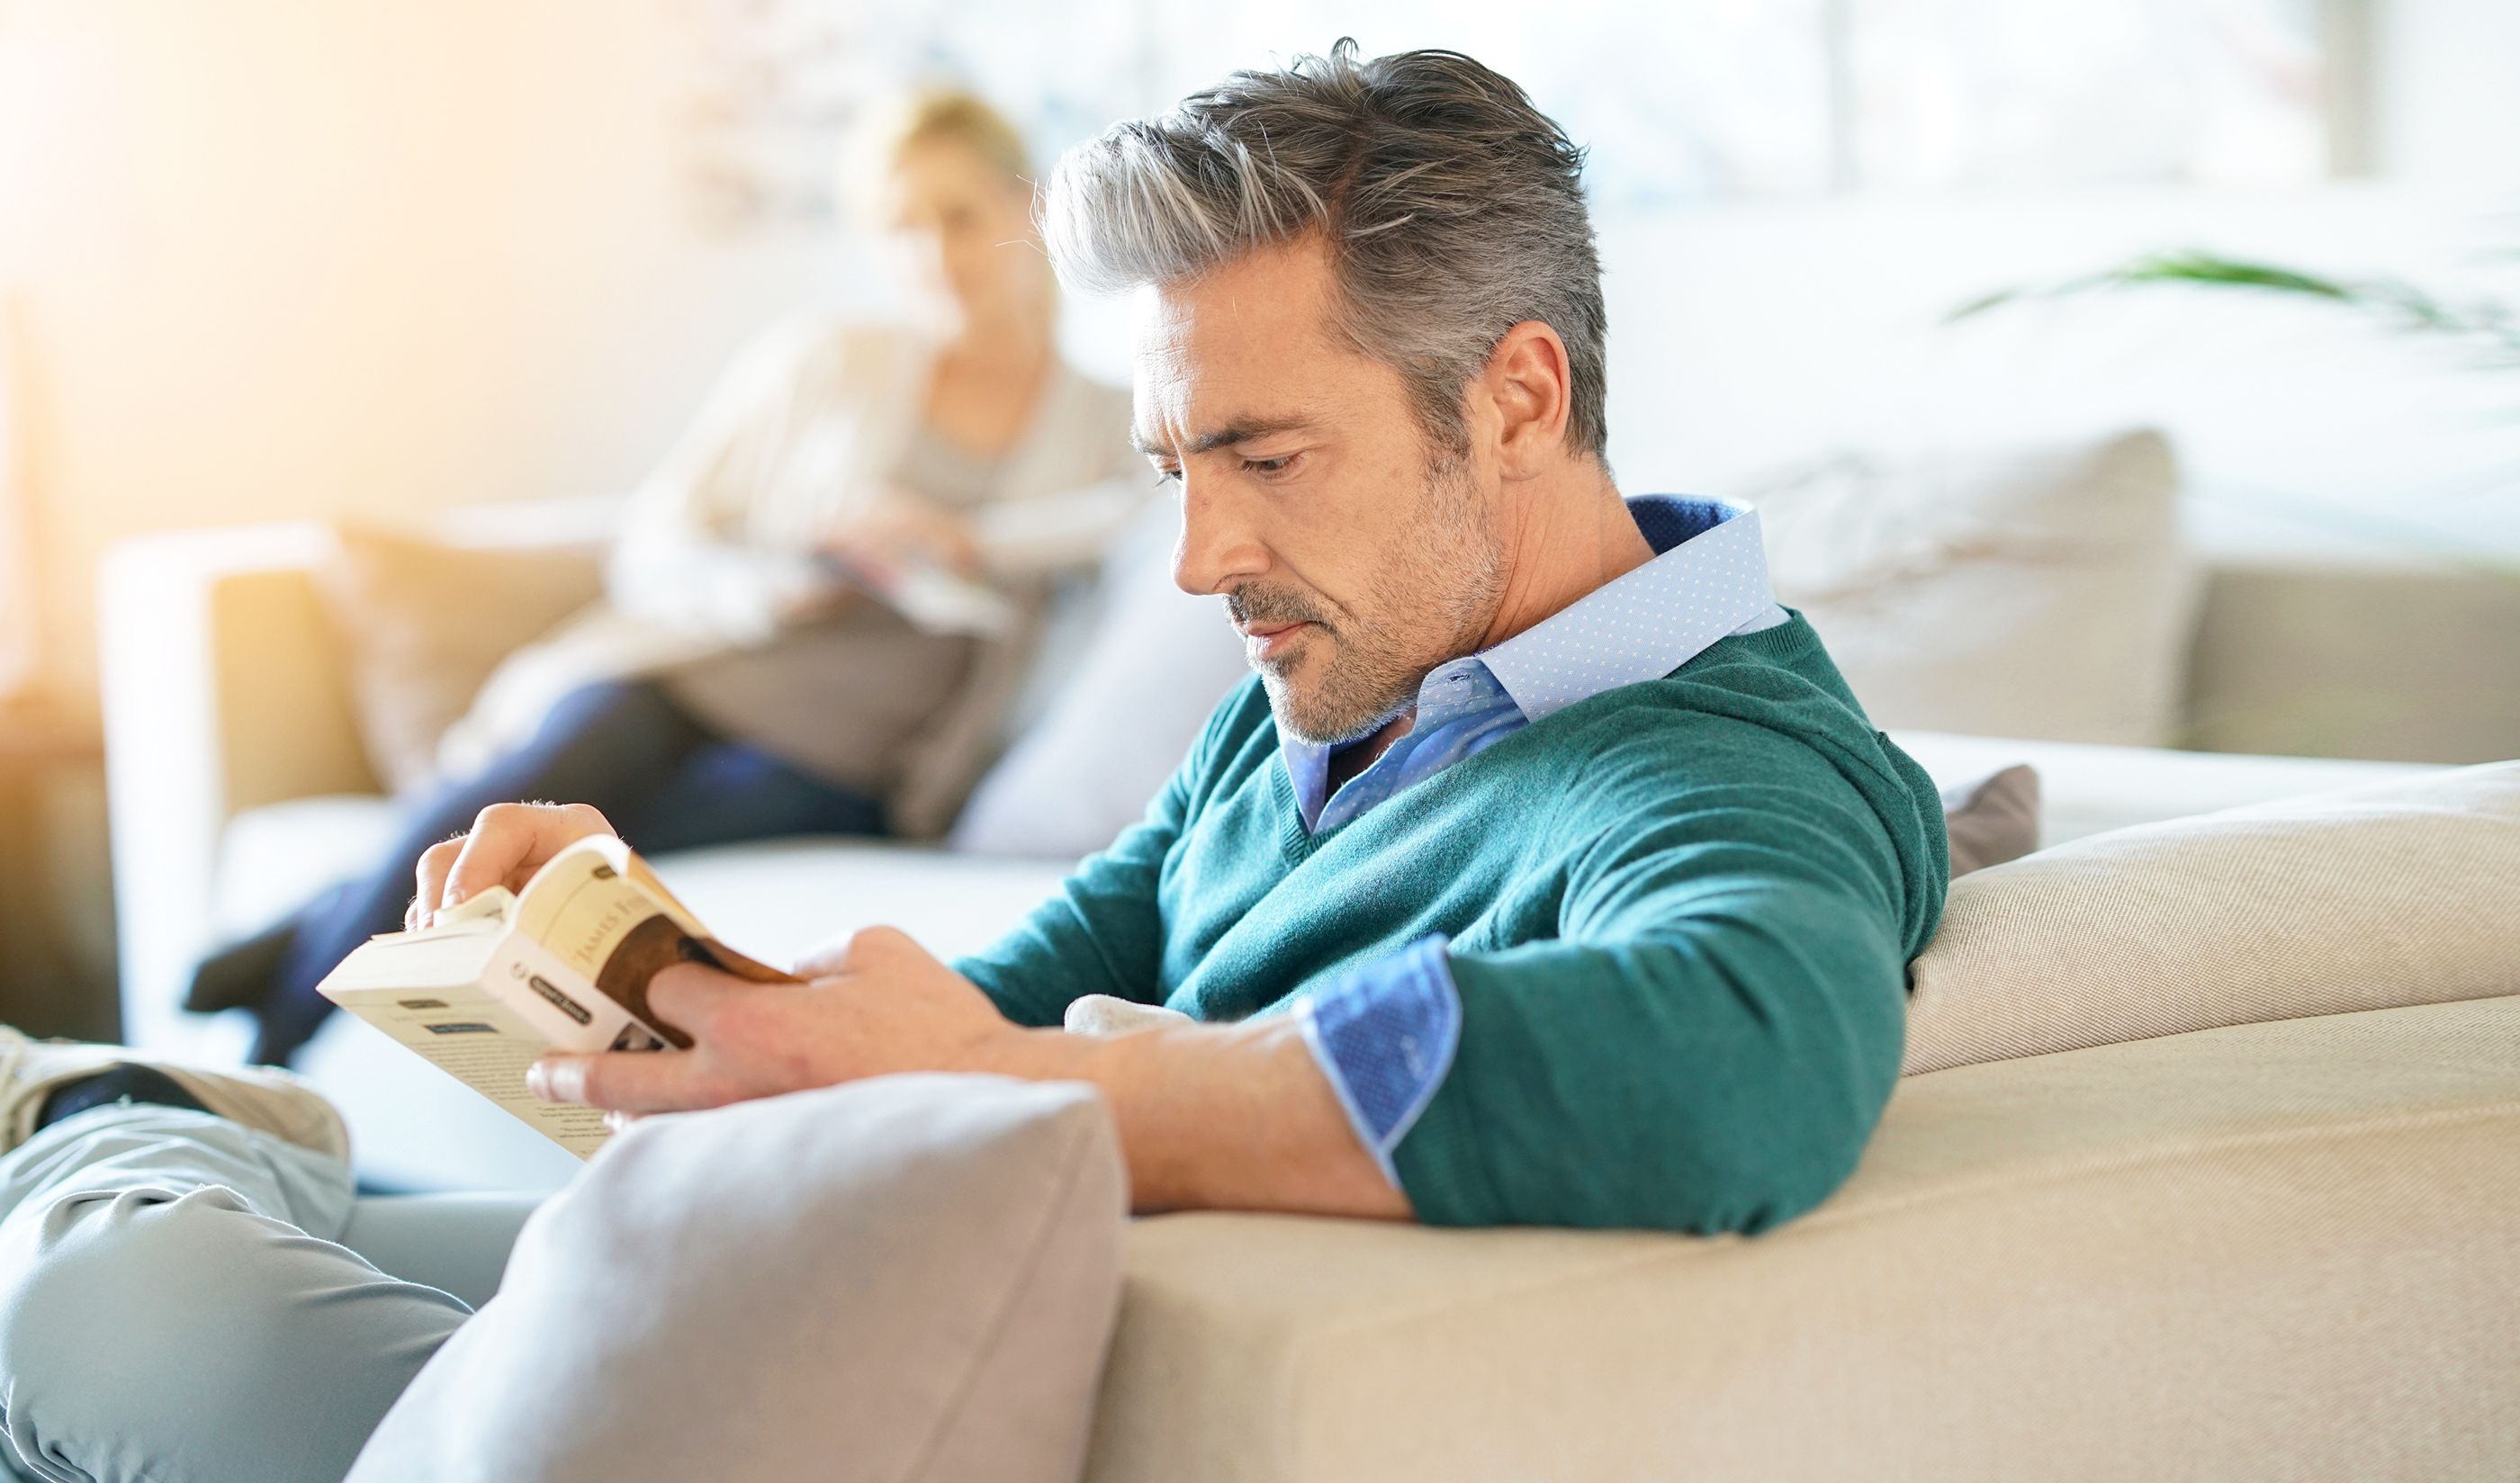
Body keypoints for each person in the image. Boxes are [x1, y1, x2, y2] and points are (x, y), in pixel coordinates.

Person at [0, 42, 1948, 1481]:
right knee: (186, 1243)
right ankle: (142, 1121)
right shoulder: (1323, 707)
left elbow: (1738, 1060)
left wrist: (1033, 1081)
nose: (1196, 560)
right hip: (859, 1268)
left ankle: (110, 1113)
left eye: (1263, 456)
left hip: (877, 1372)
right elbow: (976, 1013)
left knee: (110, 1262)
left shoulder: (1715, 764)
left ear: (1514, 395)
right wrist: (626, 957)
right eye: (1171, 471)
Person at [187, 88, 1143, 1065]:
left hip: (837, 763)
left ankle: (308, 928)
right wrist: (778, 581)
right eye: (898, 227)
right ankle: (274, 1047)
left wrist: (964, 541)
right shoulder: (827, 361)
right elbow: (658, 540)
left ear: (1026, 204)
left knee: (594, 863)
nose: (932, 255)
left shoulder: (1107, 419)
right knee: (520, 801)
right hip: (690, 675)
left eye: (958, 216)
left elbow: (1117, 529)